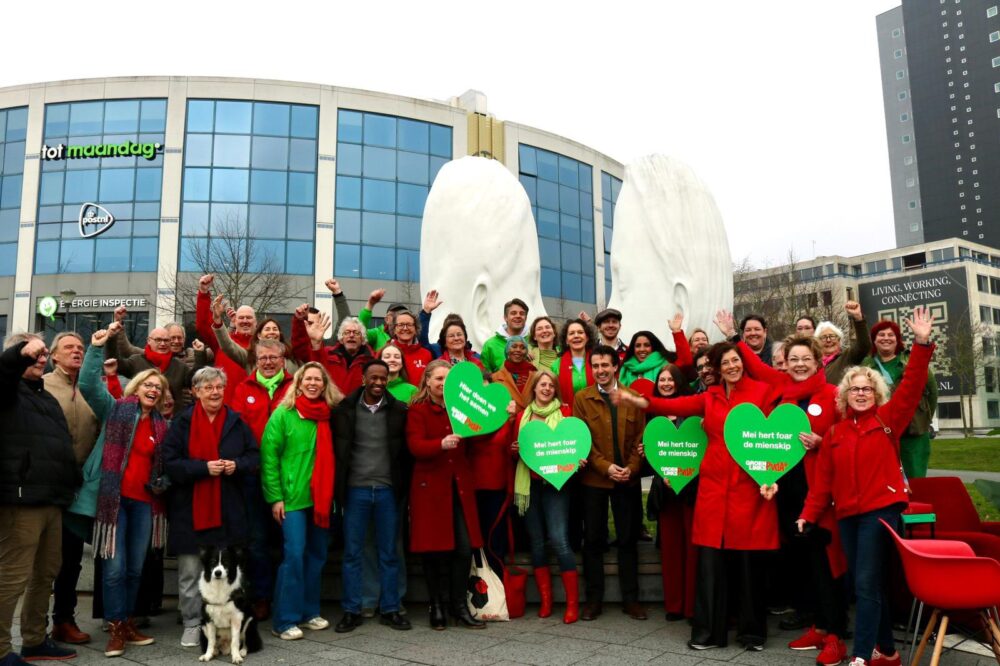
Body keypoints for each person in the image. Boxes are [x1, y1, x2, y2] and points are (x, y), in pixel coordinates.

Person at [617, 341, 780, 651]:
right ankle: (708, 632)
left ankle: (752, 633)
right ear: (717, 369)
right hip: (714, 488)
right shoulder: (711, 397)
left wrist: (770, 477)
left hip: (748, 487)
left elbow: (770, 439)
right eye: (726, 363)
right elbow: (673, 405)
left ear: (743, 363)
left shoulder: (761, 393)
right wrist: (638, 400)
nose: (732, 366)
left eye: (736, 361)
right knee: (710, 562)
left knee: (748, 563)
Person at [798, 306, 936, 666]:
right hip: (847, 514)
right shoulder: (834, 433)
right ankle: (888, 651)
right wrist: (808, 515)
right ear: (844, 396)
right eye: (854, 389)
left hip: (880, 510)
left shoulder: (889, 419)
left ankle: (861, 655)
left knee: (865, 582)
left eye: (866, 388)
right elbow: (824, 482)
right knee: (867, 585)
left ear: (876, 393)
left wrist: (921, 343)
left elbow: (912, 386)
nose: (860, 393)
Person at [718, 313, 849, 664]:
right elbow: (754, 366)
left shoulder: (833, 394)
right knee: (804, 559)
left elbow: (849, 439)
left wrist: (824, 441)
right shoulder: (782, 391)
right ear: (786, 365)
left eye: (807, 359)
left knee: (827, 562)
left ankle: (836, 632)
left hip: (821, 493)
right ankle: (819, 626)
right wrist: (733, 336)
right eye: (794, 360)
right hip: (788, 491)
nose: (800, 364)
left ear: (818, 361)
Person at [77, 330, 167, 658]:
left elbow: (164, 468)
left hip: (145, 505)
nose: (153, 390)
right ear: (136, 387)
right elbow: (88, 385)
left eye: (158, 387)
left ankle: (128, 621)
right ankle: (115, 627)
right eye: (148, 385)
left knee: (135, 569)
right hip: (114, 503)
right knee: (114, 569)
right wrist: (96, 347)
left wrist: (164, 481)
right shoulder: (115, 411)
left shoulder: (162, 426)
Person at [161, 367, 259, 649]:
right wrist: (203, 468)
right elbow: (170, 463)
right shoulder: (182, 422)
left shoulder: (236, 421)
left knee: (230, 574)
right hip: (190, 510)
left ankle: (228, 625)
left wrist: (236, 465)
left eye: (219, 387)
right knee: (191, 572)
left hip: (228, 510)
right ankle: (193, 623)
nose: (215, 392)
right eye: (208, 388)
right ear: (196, 391)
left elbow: (253, 457)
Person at [0, 333, 80, 665]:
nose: (40, 360)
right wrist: (20, 351)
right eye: (35, 354)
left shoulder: (45, 397)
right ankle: (1, 648)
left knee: (46, 572)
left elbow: (58, 445)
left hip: (52, 498)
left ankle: (34, 639)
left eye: (43, 355)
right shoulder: (7, 391)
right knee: (12, 575)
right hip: (20, 499)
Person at [261, 363, 340, 640]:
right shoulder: (283, 414)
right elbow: (269, 458)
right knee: (293, 555)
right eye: (308, 378)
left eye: (318, 379)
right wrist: (275, 497)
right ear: (299, 382)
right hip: (292, 499)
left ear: (324, 384)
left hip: (320, 500)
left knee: (316, 557)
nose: (313, 383)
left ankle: (309, 612)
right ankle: (284, 620)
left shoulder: (330, 416)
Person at [333, 360, 411, 633]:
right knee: (352, 552)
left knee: (389, 552)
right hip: (356, 490)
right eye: (374, 378)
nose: (379, 383)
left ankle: (391, 608)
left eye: (383, 378)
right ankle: (351, 610)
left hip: (388, 490)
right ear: (363, 379)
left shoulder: (399, 410)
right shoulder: (345, 410)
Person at [406, 360, 485, 630]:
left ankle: (459, 606)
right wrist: (439, 444)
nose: (442, 384)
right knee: (433, 551)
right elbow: (415, 445)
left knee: (464, 549)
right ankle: (437, 605)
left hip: (458, 487)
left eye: (447, 379)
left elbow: (477, 436)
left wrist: (503, 416)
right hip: (430, 490)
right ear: (427, 381)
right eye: (438, 379)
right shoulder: (417, 409)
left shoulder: (459, 407)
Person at [573, 346, 645, 622]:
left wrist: (631, 468)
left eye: (605, 365)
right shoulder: (583, 399)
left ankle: (631, 599)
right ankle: (593, 600)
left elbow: (641, 439)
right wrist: (605, 467)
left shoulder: (633, 397)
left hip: (627, 479)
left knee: (628, 539)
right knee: (593, 540)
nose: (600, 370)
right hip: (594, 480)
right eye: (595, 366)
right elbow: (582, 441)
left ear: (616, 366)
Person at [511, 370, 582, 624]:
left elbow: (573, 445)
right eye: (542, 384)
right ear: (534, 388)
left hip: (555, 485)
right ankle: (546, 601)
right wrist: (514, 448)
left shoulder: (565, 415)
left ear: (555, 389)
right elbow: (513, 450)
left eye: (550, 385)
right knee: (537, 543)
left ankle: (572, 605)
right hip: (529, 485)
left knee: (560, 541)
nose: (546, 389)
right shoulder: (522, 416)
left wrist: (578, 458)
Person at [43, 332, 99, 647]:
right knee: (46, 560)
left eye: (81, 348)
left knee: (72, 559)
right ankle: (36, 627)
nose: (77, 351)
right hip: (49, 486)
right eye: (70, 347)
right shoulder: (44, 386)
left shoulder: (90, 388)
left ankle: (64, 620)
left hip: (80, 489)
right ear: (54, 356)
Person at [232, 339, 295, 621]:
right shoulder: (243, 389)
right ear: (254, 360)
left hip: (288, 479)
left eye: (273, 357)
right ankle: (261, 597)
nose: (267, 363)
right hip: (253, 479)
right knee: (257, 541)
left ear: (283, 359)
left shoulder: (294, 386)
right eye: (262, 358)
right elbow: (236, 433)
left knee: (285, 540)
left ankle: (285, 596)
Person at [643, 364, 698, 622]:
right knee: (671, 549)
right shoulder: (653, 416)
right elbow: (651, 455)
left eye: (670, 379)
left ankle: (691, 606)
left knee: (691, 548)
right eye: (661, 380)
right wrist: (651, 460)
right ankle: (674, 605)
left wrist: (684, 474)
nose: (665, 383)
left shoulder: (692, 412)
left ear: (678, 382)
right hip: (664, 492)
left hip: (690, 490)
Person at [862, 318, 938, 479]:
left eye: (891, 335)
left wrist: (922, 417)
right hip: (880, 430)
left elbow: (932, 392)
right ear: (874, 340)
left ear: (898, 340)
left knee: (915, 477)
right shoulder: (866, 366)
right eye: (881, 334)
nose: (886, 338)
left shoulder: (910, 360)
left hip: (913, 431)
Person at [105, 321, 201, 412]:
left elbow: (197, 381)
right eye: (158, 340)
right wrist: (111, 338)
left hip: (171, 422)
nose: (163, 344)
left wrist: (200, 354)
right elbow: (114, 363)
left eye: (166, 340)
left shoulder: (180, 366)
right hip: (140, 419)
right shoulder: (137, 361)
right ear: (149, 341)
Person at [196, 274, 256, 405]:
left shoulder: (263, 349)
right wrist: (203, 292)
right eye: (241, 318)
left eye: (249, 318)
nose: (245, 321)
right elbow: (202, 325)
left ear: (256, 323)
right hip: (224, 412)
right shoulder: (222, 342)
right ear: (235, 320)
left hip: (252, 413)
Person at [307, 314, 374, 395]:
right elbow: (315, 368)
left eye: (356, 333)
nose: (351, 335)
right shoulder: (328, 354)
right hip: (332, 405)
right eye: (347, 332)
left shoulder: (371, 360)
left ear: (362, 339)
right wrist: (316, 342)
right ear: (341, 339)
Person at [814, 301, 871, 386]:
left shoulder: (846, 357)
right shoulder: (813, 363)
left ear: (839, 340)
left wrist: (858, 318)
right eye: (823, 337)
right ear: (817, 342)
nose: (829, 340)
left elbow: (864, 346)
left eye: (832, 336)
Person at [551, 319, 595, 417]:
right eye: (571, 333)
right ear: (566, 340)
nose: (576, 336)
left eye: (580, 332)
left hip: (596, 416)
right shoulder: (556, 365)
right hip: (568, 418)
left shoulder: (597, 361)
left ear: (587, 338)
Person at [382, 310, 432, 384]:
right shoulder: (384, 353)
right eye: (401, 325)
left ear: (415, 329)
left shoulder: (426, 354)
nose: (405, 328)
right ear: (394, 329)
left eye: (409, 324)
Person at [480, 298, 529, 372]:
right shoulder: (490, 345)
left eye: (522, 313)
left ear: (526, 318)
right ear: (505, 317)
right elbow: (484, 377)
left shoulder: (533, 342)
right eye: (513, 313)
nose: (518, 316)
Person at [491, 336, 536, 409]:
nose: (518, 350)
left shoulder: (535, 374)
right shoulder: (495, 377)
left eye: (523, 348)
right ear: (507, 350)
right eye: (514, 346)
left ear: (526, 352)